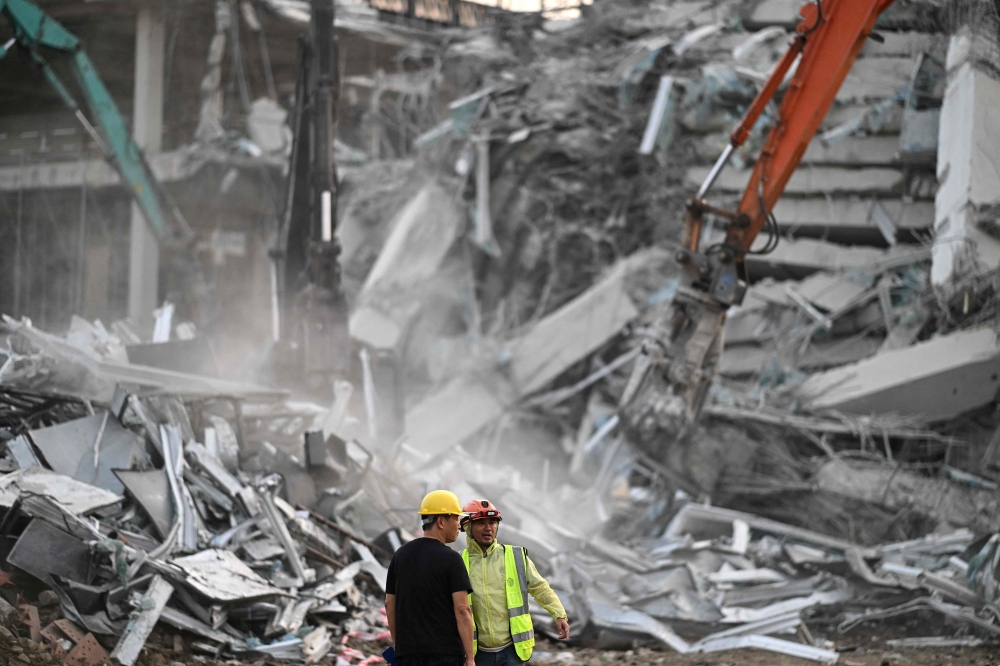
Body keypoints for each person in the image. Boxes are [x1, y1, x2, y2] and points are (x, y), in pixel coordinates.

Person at [460, 499, 570, 666]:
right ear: (468, 527)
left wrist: (559, 614)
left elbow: (540, 588)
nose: (488, 528)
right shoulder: (458, 562)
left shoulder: (515, 557)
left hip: (512, 652)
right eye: (481, 523)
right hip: (477, 654)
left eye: (492, 522)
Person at [385, 490, 476, 666]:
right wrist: (470, 658)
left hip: (408, 655)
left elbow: (390, 604)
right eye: (456, 519)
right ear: (441, 521)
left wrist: (399, 648)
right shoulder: (452, 559)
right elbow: (462, 609)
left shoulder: (400, 555)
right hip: (445, 655)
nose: (459, 526)